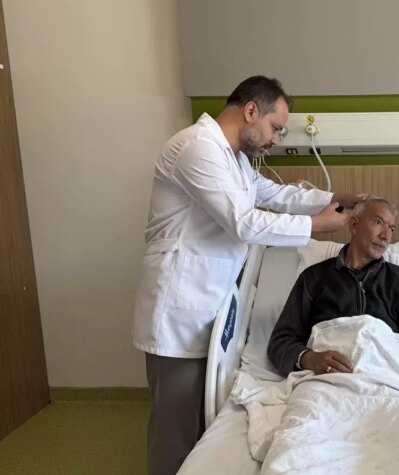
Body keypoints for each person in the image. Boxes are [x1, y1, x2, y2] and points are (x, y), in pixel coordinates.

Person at [132, 75, 366, 475]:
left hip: (207, 303)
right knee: (175, 431)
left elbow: (275, 195)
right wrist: (316, 226)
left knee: (197, 427)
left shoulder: (235, 160)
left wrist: (331, 199)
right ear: (251, 111)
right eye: (275, 127)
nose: (276, 139)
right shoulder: (197, 148)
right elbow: (243, 222)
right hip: (178, 310)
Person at [267, 197, 399, 430]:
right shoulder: (314, 278)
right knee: (302, 436)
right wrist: (309, 358)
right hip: (326, 386)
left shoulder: (398, 281)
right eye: (378, 222)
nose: (386, 235)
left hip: (387, 384)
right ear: (354, 225)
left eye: (391, 228)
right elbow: (280, 341)